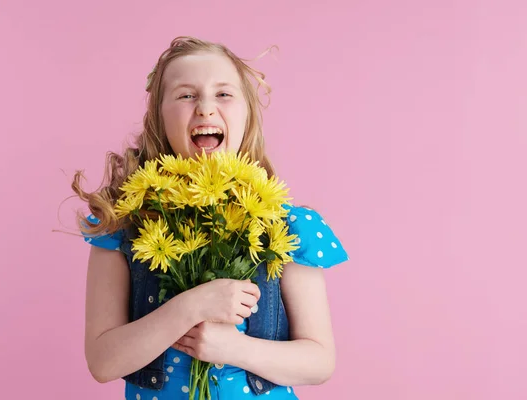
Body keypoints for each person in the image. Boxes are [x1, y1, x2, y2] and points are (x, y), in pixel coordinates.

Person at [72, 36, 349, 400]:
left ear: (247, 114)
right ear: (159, 117)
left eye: (223, 94)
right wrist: (190, 307)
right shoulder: (123, 225)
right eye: (186, 95)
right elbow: (103, 362)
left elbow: (319, 361)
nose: (204, 108)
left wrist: (233, 348)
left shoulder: (290, 226)